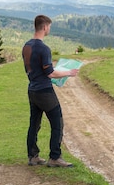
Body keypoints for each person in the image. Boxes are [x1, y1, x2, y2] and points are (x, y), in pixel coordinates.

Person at [22, 15, 79, 167]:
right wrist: (69, 73)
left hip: (32, 90)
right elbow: (50, 73)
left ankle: (33, 156)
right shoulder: (43, 48)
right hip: (45, 91)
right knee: (57, 122)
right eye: (50, 27)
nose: (49, 29)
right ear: (45, 27)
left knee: (34, 124)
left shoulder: (26, 46)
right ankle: (55, 157)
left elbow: (32, 69)